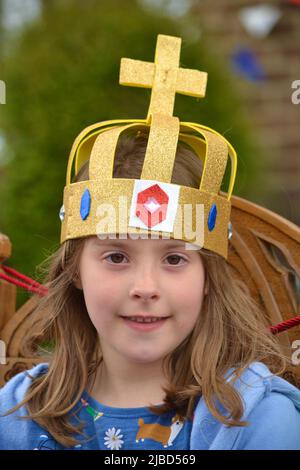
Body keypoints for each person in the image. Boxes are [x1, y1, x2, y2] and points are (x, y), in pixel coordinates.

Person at [1, 34, 300, 450]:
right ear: (75, 270)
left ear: (209, 277)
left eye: (175, 259)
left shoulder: (255, 419)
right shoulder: (15, 417)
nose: (146, 286)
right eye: (117, 256)